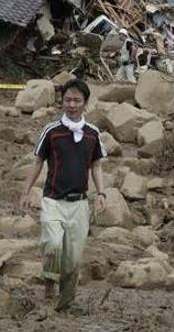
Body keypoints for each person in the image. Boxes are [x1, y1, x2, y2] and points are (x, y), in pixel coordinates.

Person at [17, 79, 107, 313]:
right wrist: (26, 191)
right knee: (53, 243)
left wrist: (101, 193)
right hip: (53, 200)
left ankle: (64, 305)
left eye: (77, 100)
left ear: (85, 103)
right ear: (62, 102)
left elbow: (96, 165)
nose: (72, 104)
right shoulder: (52, 131)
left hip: (79, 204)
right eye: (68, 99)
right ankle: (49, 281)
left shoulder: (92, 134)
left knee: (73, 261)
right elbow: (38, 162)